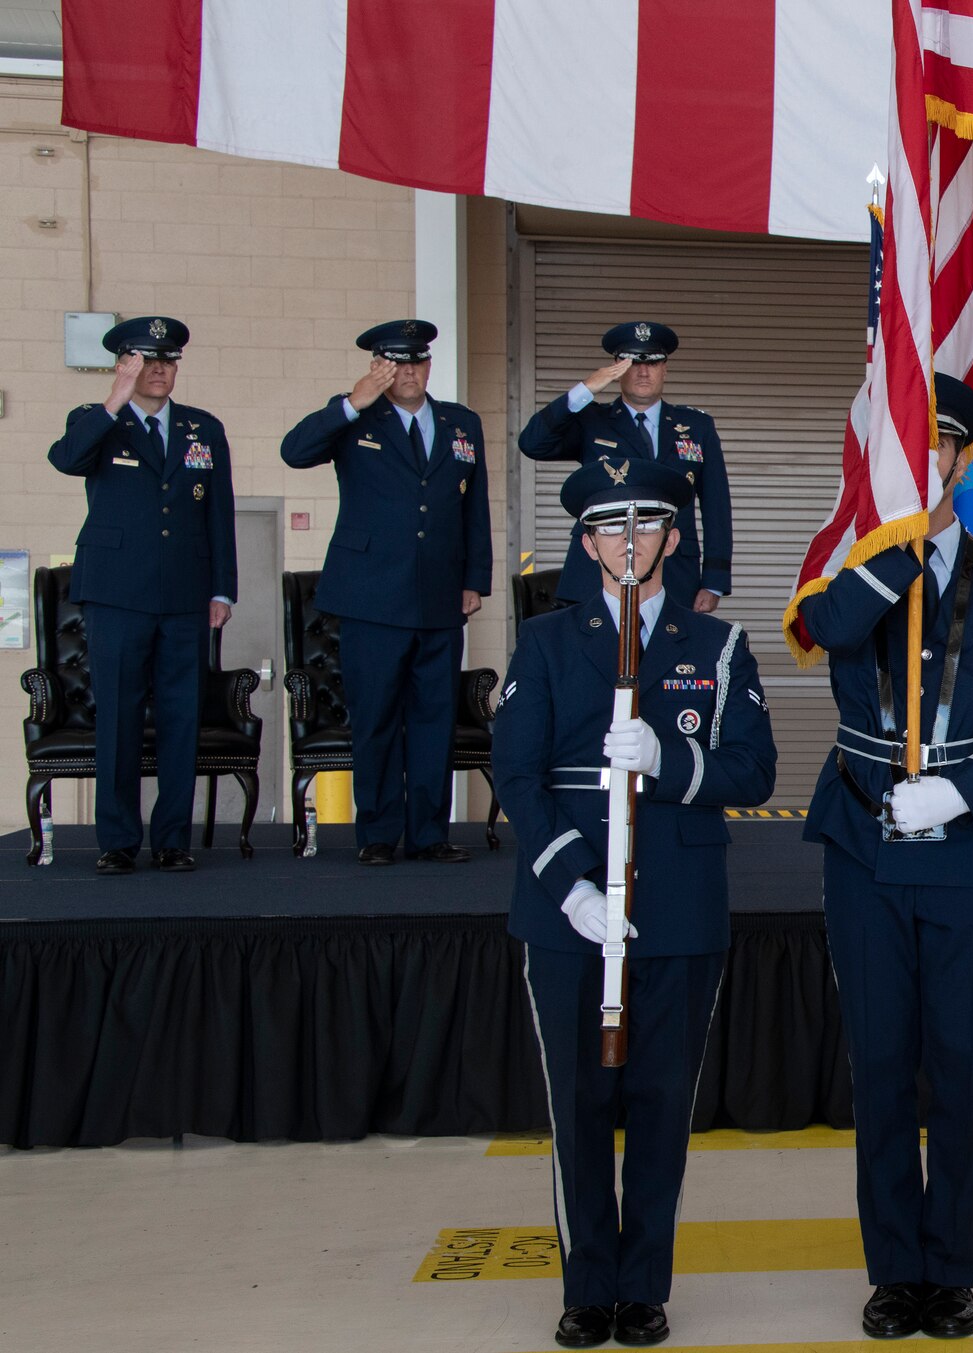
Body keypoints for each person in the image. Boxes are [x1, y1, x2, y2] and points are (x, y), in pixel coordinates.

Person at [793, 374, 973, 1340]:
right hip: (864, 842)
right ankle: (893, 1270)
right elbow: (823, 630)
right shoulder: (850, 563)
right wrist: (895, 552)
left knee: (958, 1064)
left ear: (965, 457)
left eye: (940, 449)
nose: (925, 464)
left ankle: (949, 1266)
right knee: (879, 1064)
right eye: (908, 450)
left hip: (969, 847)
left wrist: (968, 785)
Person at [494, 457, 777, 1349]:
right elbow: (517, 775)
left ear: (673, 537)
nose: (628, 542)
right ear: (586, 542)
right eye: (609, 528)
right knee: (578, 1103)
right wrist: (572, 883)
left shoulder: (718, 647)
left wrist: (668, 760)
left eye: (645, 525)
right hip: (569, 911)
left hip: (680, 908)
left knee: (661, 1102)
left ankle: (644, 1285)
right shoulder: (544, 642)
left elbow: (755, 769)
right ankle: (588, 1285)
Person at [280, 320, 491, 865]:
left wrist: (475, 579)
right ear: (380, 367)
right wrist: (354, 400)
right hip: (371, 597)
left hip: (440, 596)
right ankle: (376, 833)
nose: (410, 372)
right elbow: (294, 452)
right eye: (397, 364)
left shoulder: (460, 423)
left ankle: (429, 834)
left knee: (434, 719)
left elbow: (475, 508)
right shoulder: (354, 416)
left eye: (417, 362)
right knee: (374, 718)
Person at [48, 316, 236, 874]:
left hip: (184, 594)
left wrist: (222, 588)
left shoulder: (202, 428)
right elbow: (65, 460)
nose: (159, 370)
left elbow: (219, 514)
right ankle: (118, 841)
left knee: (182, 718)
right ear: (124, 365)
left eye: (168, 361)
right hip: (116, 595)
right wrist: (115, 400)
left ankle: (173, 839)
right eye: (146, 361)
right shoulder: (95, 420)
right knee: (120, 719)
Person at [517, 321, 732, 611]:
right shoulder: (592, 419)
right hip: (597, 567)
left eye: (653, 362)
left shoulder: (697, 426)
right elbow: (532, 443)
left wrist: (714, 579)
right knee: (596, 653)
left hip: (675, 569)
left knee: (669, 653)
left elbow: (717, 505)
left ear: (665, 368)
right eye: (632, 362)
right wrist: (585, 389)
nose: (643, 371)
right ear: (615, 369)